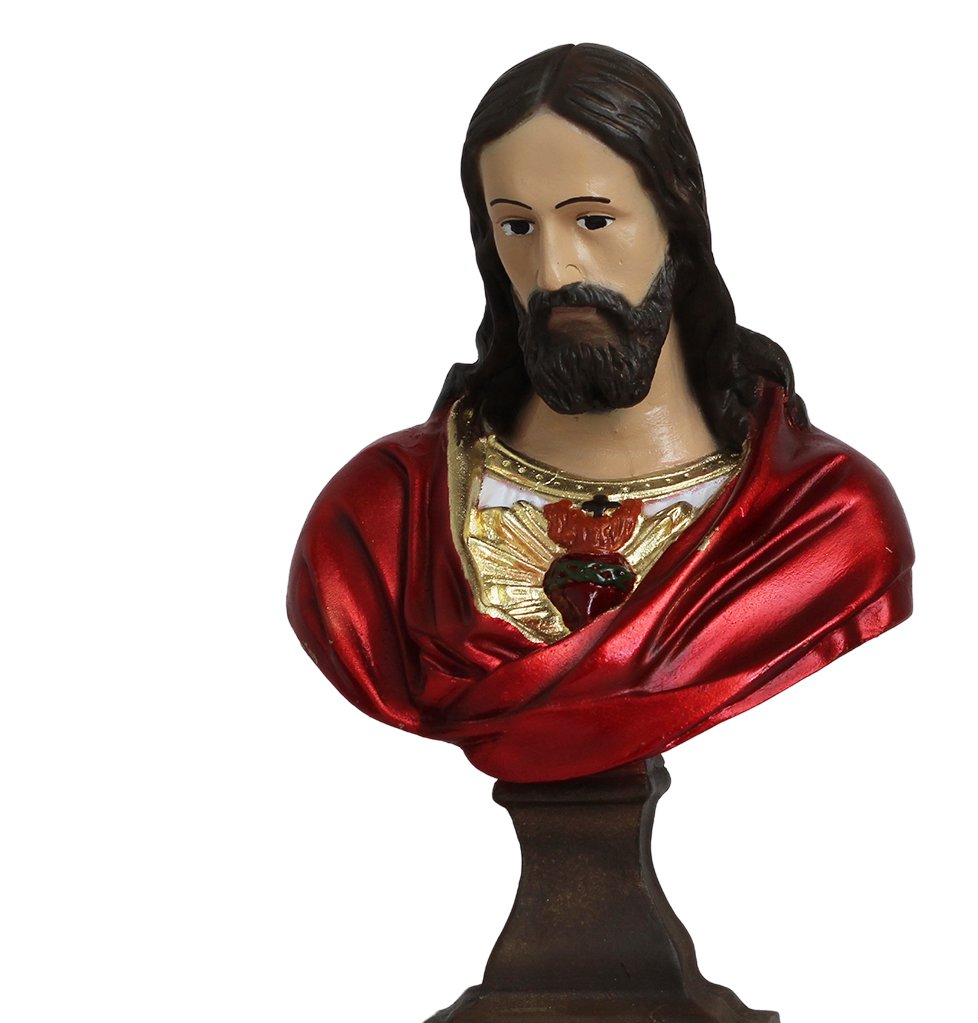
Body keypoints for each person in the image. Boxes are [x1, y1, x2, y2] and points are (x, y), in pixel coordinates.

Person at [287, 44, 914, 783]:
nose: (554, 271)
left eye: (592, 220)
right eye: (518, 228)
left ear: (676, 219)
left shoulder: (823, 517)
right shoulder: (379, 522)